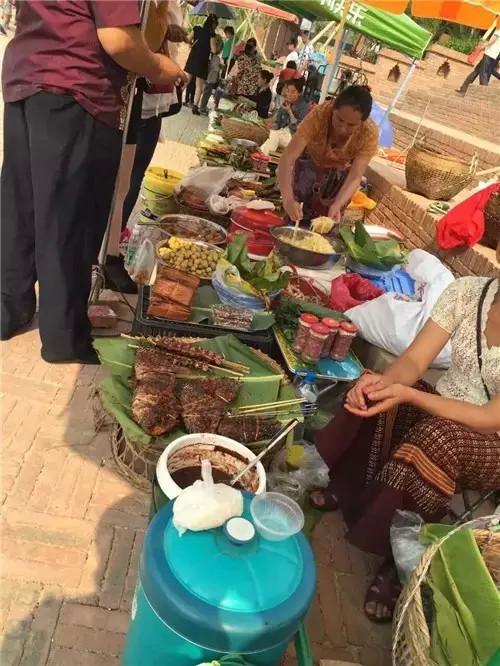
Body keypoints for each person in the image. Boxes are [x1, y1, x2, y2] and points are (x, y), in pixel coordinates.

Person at [1, 0, 186, 363]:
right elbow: (117, 38)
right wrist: (158, 65)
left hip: (28, 75)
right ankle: (63, 337)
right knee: (70, 219)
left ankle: (10, 307)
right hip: (77, 87)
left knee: (23, 206)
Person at [311, 270, 500, 622]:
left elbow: (492, 417)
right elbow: (414, 362)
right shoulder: (468, 293)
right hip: (445, 405)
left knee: (437, 439)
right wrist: (386, 385)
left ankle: (396, 555)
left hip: (493, 442)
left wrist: (410, 394)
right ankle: (350, 486)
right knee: (375, 388)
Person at [277, 85, 378, 224]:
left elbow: (355, 176)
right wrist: (288, 199)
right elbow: (288, 158)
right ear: (333, 109)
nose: (343, 128)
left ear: (362, 122)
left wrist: (338, 204)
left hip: (338, 178)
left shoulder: (369, 132)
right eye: (339, 120)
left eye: (351, 125)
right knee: (294, 218)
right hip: (309, 166)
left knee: (327, 227)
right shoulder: (320, 114)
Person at [261, 79, 309, 154]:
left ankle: (263, 158)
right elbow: (278, 123)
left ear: (299, 93)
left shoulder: (303, 107)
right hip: (282, 132)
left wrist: (289, 112)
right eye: (288, 91)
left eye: (293, 91)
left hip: (294, 137)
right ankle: (261, 156)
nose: (289, 94)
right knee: (271, 133)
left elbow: (299, 128)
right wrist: (271, 126)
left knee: (274, 134)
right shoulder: (286, 103)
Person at [184, 14, 218, 114]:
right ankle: (195, 106)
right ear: (212, 24)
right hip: (202, 60)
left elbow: (187, 39)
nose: (216, 26)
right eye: (216, 24)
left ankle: (175, 99)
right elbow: (214, 50)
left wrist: (192, 45)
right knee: (199, 85)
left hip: (193, 57)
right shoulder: (212, 35)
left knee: (186, 80)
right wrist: (217, 48)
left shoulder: (197, 29)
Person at [457, 28, 500, 94]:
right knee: (476, 71)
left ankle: (483, 94)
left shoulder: (499, 29)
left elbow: (494, 39)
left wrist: (484, 45)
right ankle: (463, 89)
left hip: (490, 53)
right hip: (493, 54)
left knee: (483, 74)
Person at [199, 35, 223, 115]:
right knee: (206, 93)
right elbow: (214, 68)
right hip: (210, 78)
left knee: (207, 93)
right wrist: (220, 66)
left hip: (210, 78)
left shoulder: (213, 56)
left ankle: (203, 106)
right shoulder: (214, 57)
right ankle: (202, 108)